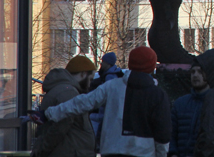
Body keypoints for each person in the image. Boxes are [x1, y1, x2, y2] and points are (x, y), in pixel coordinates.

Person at [43, 46, 171, 157]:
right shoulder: (158, 95)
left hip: (112, 150)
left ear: (131, 63)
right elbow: (163, 132)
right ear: (152, 67)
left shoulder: (111, 86)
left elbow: (82, 103)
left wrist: (51, 113)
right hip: (144, 152)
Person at [32, 55, 97, 157]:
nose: (89, 85)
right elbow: (60, 127)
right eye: (91, 79)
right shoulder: (68, 92)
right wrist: (43, 150)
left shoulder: (62, 89)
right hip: (70, 152)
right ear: (83, 74)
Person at [169, 65, 209, 157]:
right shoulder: (180, 103)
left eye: (200, 72)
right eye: (193, 72)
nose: (195, 75)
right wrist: (173, 153)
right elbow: (171, 133)